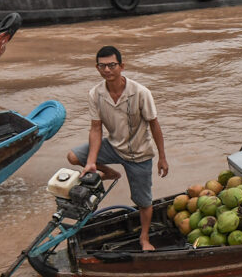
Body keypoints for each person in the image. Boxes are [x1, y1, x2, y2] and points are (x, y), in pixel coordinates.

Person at [67, 45, 169, 251]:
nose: (107, 70)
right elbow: (96, 129)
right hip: (113, 146)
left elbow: (154, 125)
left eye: (112, 65)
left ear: (121, 66)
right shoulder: (95, 94)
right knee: (72, 156)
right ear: (97, 68)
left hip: (139, 154)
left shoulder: (141, 93)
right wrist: (92, 163)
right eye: (102, 66)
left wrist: (162, 157)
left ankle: (144, 238)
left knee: (144, 202)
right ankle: (110, 172)